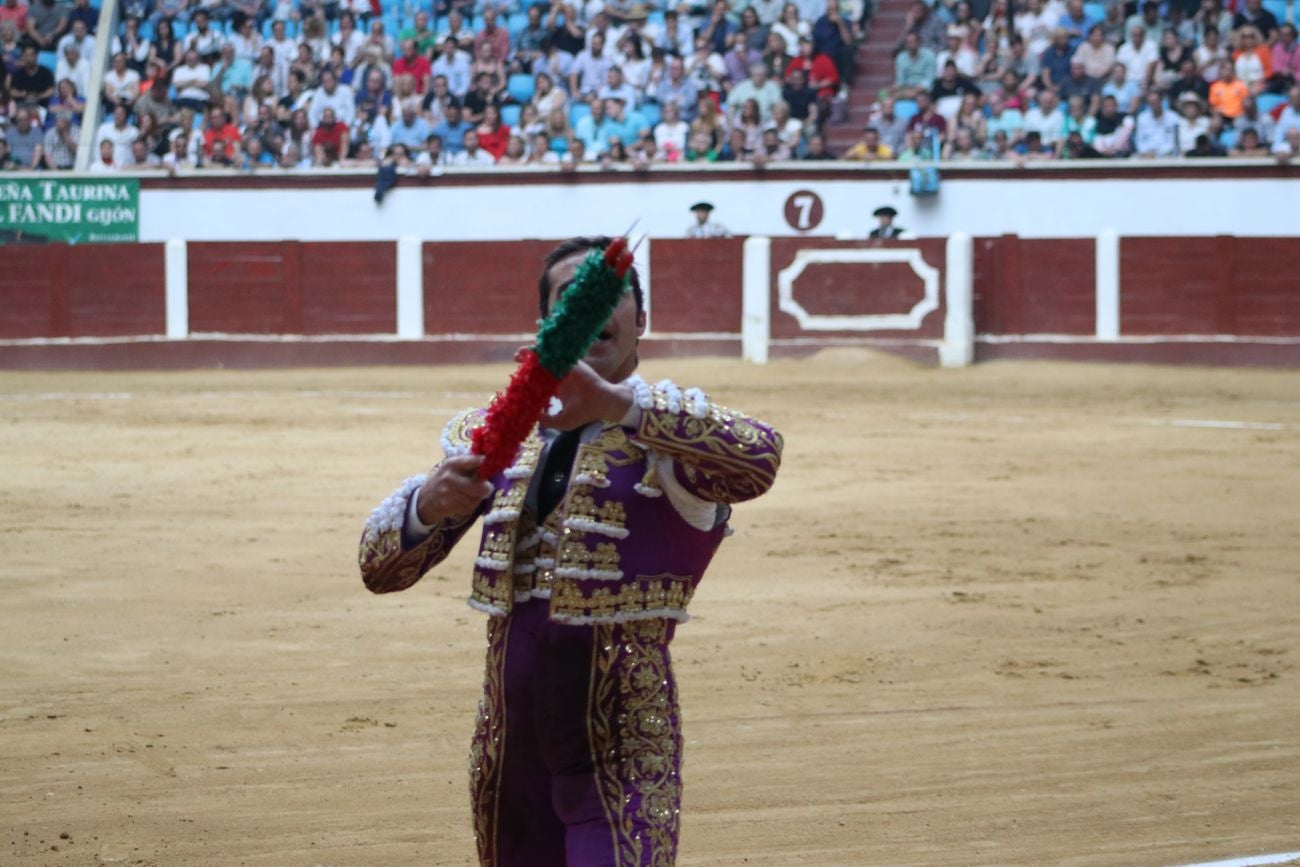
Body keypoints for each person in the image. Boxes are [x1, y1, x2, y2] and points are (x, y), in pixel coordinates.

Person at [358, 235, 781, 867]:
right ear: (547, 322)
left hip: (623, 746)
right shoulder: (498, 435)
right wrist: (429, 505)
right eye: (570, 297)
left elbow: (759, 458)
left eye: (612, 295)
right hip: (509, 743)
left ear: (642, 320)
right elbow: (379, 569)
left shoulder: (669, 429)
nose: (592, 308)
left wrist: (619, 406)